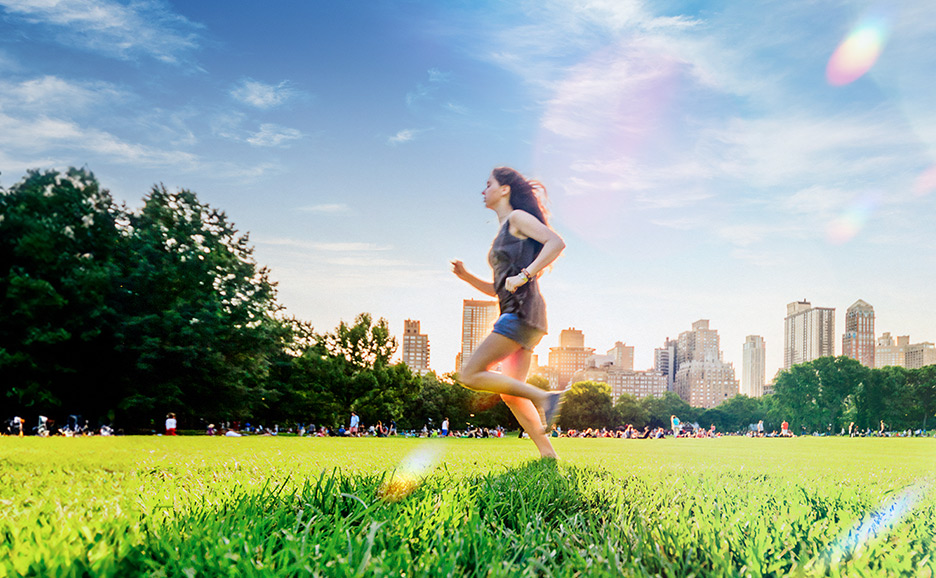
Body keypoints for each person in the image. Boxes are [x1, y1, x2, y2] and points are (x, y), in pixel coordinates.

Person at [452, 167, 566, 459]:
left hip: (521, 311)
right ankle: (548, 455)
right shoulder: (505, 231)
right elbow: (498, 289)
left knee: (470, 374)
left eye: (488, 184)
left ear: (504, 189)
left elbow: (556, 243)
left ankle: (544, 397)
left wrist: (526, 274)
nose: (483, 190)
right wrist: (467, 277)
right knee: (511, 394)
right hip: (523, 313)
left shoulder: (517, 218)